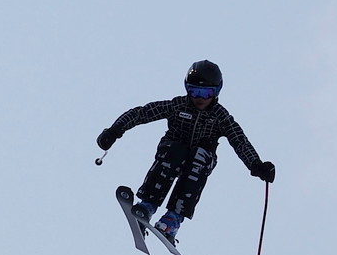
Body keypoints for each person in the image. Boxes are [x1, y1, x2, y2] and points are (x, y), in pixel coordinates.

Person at [97, 60, 275, 245]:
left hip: (199, 163)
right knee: (175, 151)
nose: (199, 98)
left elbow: (240, 142)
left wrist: (257, 165)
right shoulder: (178, 106)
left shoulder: (221, 117)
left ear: (216, 92)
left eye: (206, 93)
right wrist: (114, 130)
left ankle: (172, 220)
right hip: (172, 154)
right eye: (194, 91)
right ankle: (147, 206)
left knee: (200, 158)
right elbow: (142, 113)